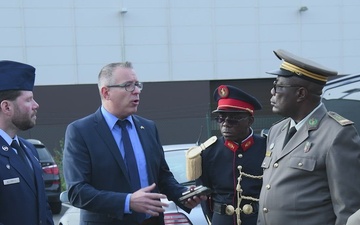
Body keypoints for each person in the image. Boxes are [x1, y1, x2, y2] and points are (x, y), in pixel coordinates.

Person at [63, 61, 205, 225]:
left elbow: (163, 177)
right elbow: (77, 191)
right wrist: (127, 202)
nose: (136, 91)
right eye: (128, 86)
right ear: (106, 92)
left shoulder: (148, 128)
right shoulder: (81, 131)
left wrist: (184, 195)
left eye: (137, 84)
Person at [257, 49, 360, 225]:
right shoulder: (277, 130)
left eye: (278, 86)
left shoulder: (337, 134)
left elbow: (348, 209)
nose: (272, 92)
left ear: (301, 94)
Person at [194, 85, 266, 225]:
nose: (225, 124)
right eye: (221, 119)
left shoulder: (266, 147)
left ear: (250, 121)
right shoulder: (208, 152)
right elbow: (205, 197)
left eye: (233, 119)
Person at [0, 60, 54, 225]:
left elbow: (43, 208)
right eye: (29, 100)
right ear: (6, 107)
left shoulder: (29, 149)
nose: (36, 105)